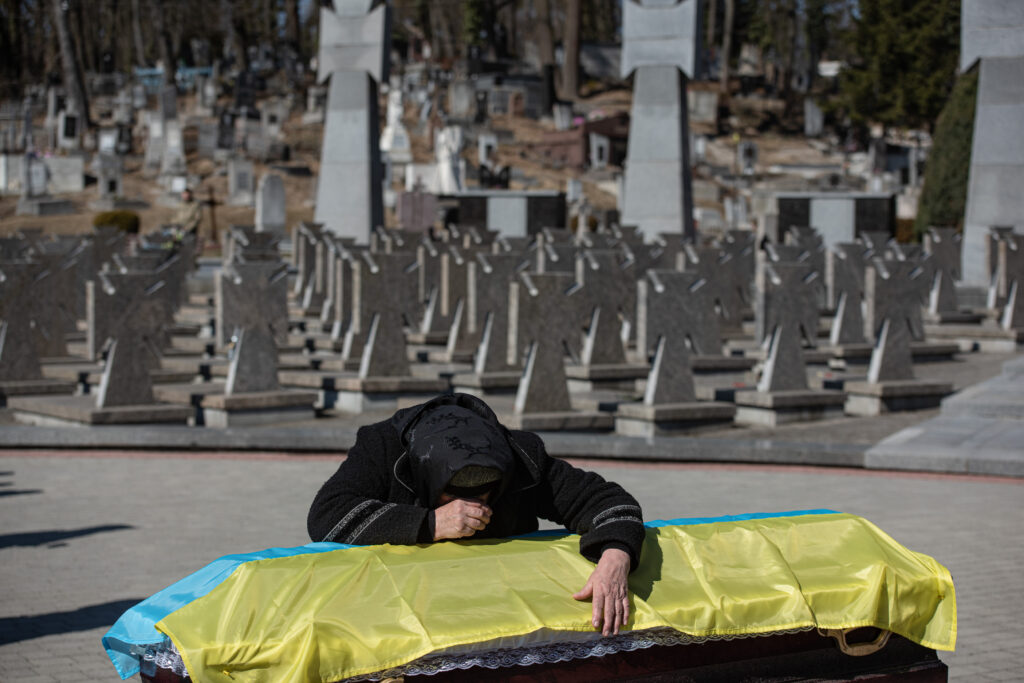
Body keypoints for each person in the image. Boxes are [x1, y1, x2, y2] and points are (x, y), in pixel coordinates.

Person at [308, 393, 645, 636]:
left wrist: (615, 557)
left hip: (497, 613)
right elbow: (326, 515)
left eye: (484, 492)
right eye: (453, 491)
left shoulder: (521, 457)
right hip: (395, 616)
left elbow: (611, 502)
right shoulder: (382, 447)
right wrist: (431, 522)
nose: (472, 506)